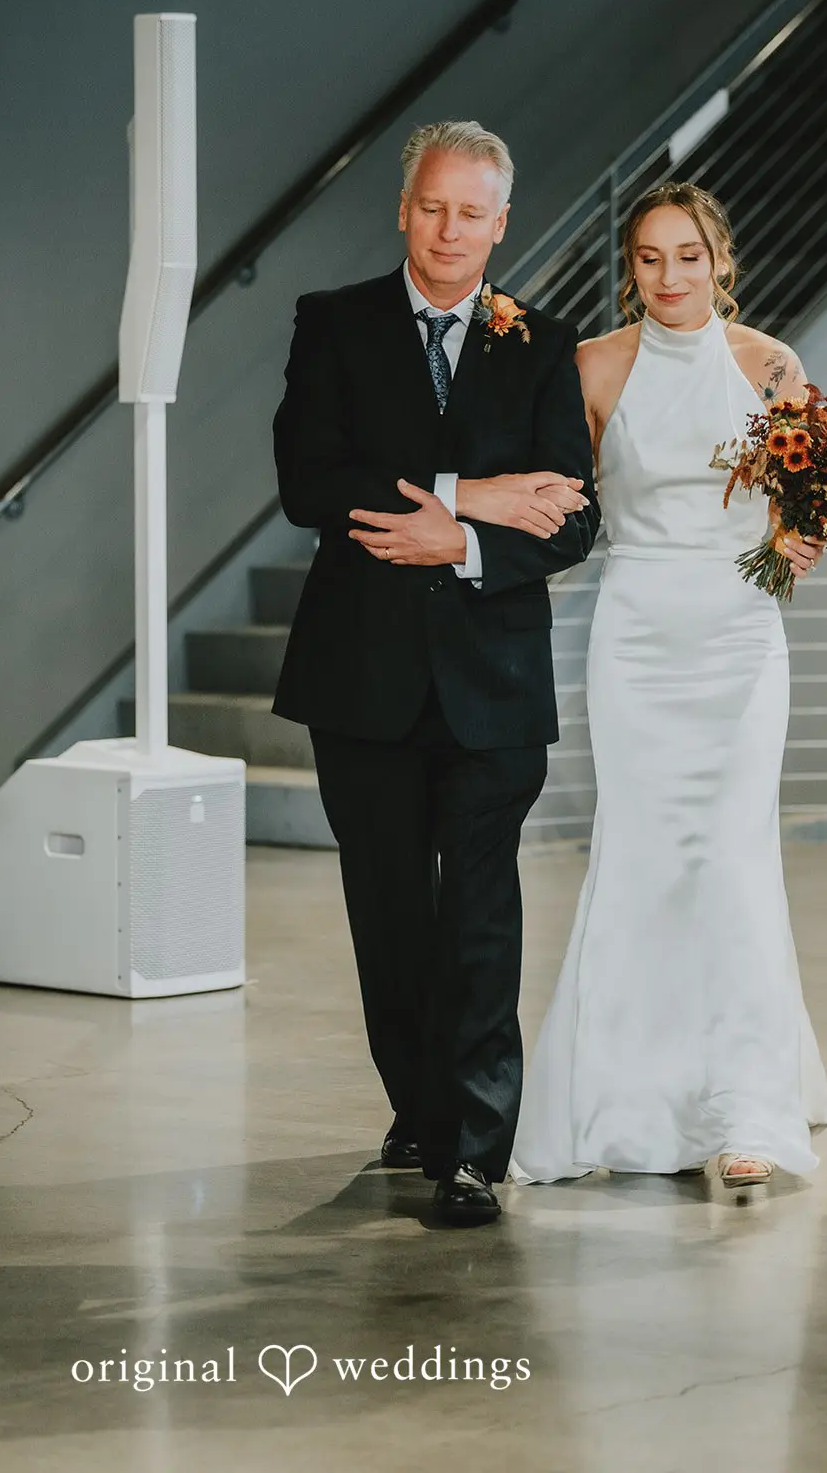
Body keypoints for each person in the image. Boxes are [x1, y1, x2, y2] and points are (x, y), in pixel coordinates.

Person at [271, 120, 600, 1225]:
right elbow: (309, 481)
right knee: (390, 915)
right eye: (431, 207)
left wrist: (460, 537)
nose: (449, 230)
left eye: (471, 212)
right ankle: (419, 1106)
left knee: (481, 916)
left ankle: (473, 1147)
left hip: (491, 682)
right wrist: (475, 492)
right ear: (402, 210)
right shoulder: (333, 323)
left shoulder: (544, 343)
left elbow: (570, 520)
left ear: (501, 224)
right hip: (359, 677)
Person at [510, 181, 827, 1189]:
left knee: (734, 859)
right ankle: (626, 1102)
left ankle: (747, 1109)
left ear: (720, 260)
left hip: (741, 637)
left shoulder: (770, 364)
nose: (669, 276)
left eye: (688, 256)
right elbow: (566, 504)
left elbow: (812, 502)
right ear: (631, 267)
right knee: (643, 859)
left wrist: (802, 540)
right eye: (649, 258)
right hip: (636, 637)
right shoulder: (592, 366)